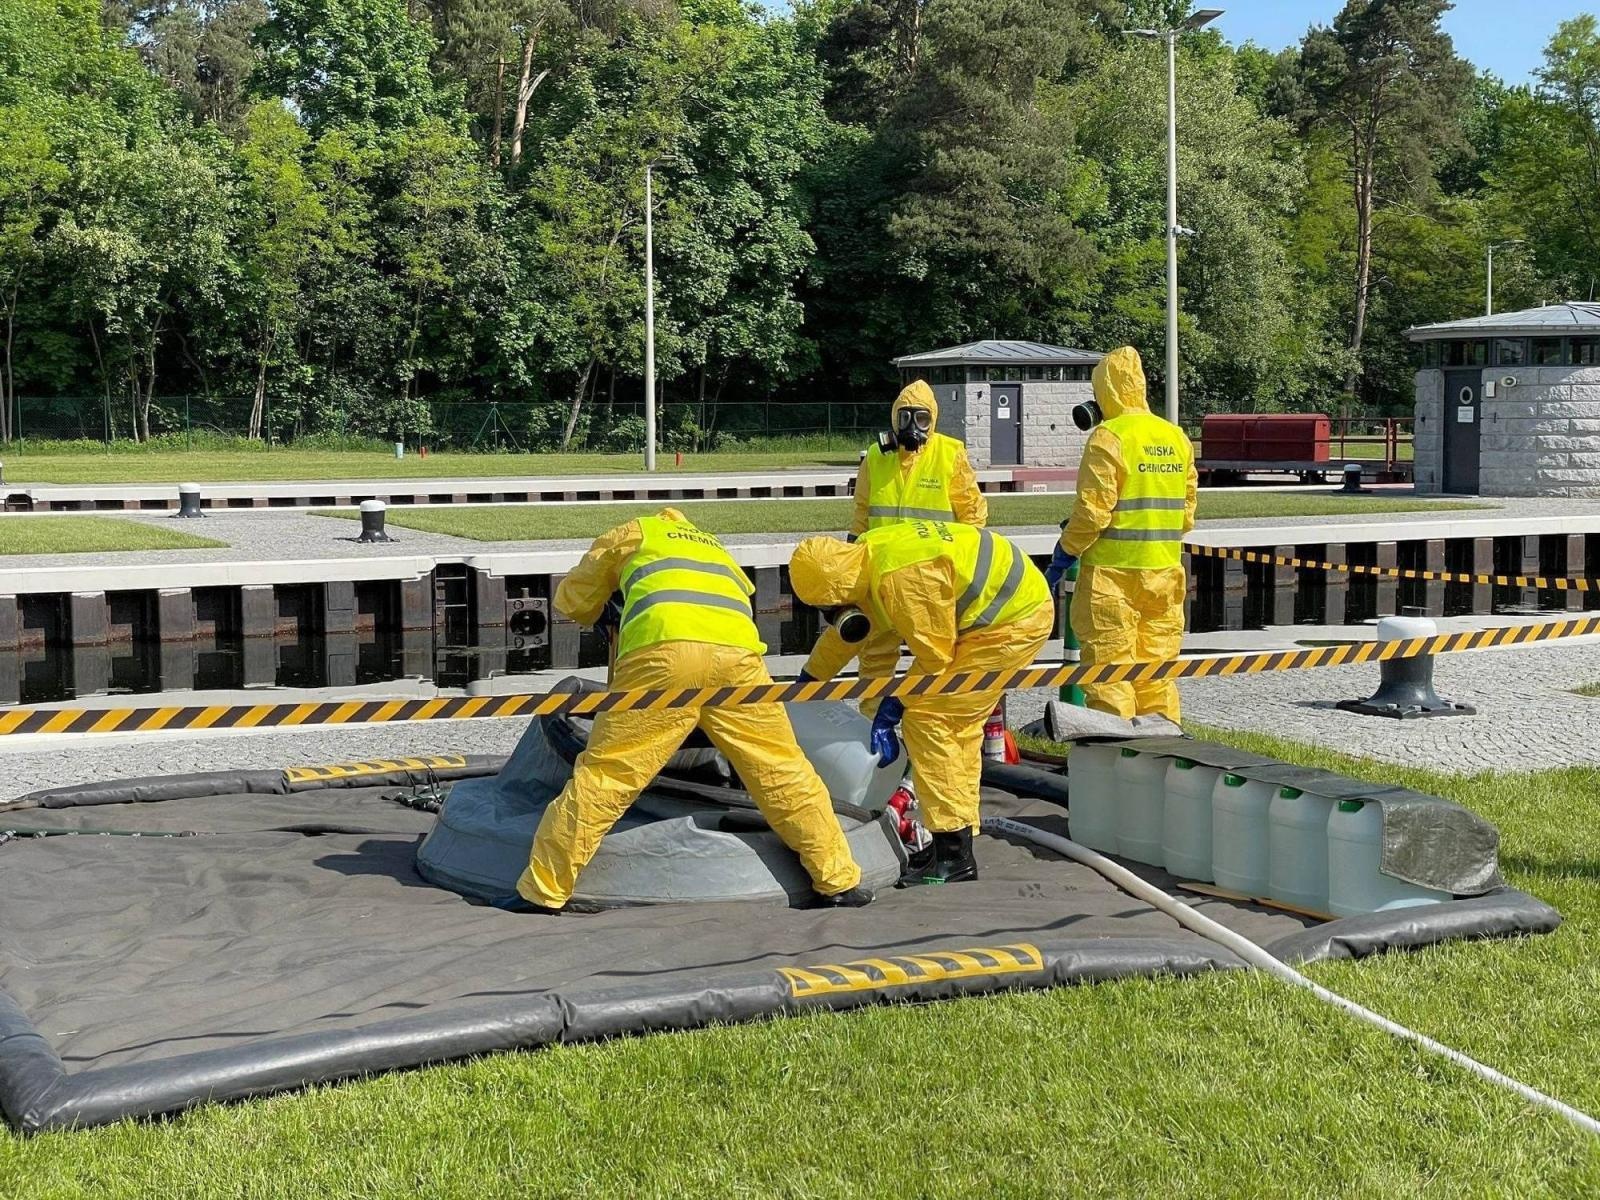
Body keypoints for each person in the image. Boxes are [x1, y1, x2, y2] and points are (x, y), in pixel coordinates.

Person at [501, 508, 870, 913]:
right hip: (739, 659)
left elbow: (573, 600)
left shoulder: (634, 531)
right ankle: (838, 881)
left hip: (662, 655)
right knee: (782, 769)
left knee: (610, 775)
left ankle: (544, 890)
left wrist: (607, 605)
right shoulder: (715, 548)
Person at [789, 520, 1053, 884]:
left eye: (831, 608)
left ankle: (953, 855)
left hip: (1008, 624)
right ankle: (958, 833)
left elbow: (934, 660)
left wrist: (895, 703)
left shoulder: (901, 580)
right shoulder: (864, 557)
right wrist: (811, 679)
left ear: (839, 592)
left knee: (932, 722)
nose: (835, 616)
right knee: (955, 724)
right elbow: (850, 633)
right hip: (997, 614)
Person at [807, 379, 988, 710]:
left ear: (932, 420)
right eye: (905, 417)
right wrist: (852, 559)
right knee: (874, 654)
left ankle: (929, 718)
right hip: (881, 573)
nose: (912, 427)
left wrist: (965, 569)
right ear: (894, 418)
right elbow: (861, 513)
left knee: (935, 653)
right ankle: (872, 721)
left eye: (921, 419)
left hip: (932, 578)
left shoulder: (949, 453)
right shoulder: (877, 455)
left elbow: (972, 515)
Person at [1045, 346, 1197, 723]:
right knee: (1156, 671)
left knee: (1110, 672)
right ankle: (1161, 752)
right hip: (1164, 574)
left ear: (1106, 393)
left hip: (1112, 578)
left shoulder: (1108, 437)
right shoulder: (1175, 437)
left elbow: (1093, 512)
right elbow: (1186, 514)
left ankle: (1113, 756)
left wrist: (1064, 553)